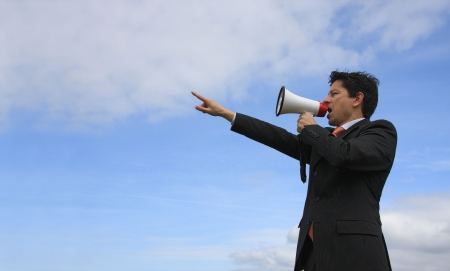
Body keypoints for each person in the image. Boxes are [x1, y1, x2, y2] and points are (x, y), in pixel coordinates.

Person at [192, 71, 397, 271]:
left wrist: (312, 129)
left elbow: (345, 155)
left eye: (334, 94)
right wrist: (228, 114)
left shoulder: (380, 131)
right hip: (312, 254)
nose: (326, 99)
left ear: (357, 99)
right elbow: (278, 138)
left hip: (355, 255)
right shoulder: (324, 138)